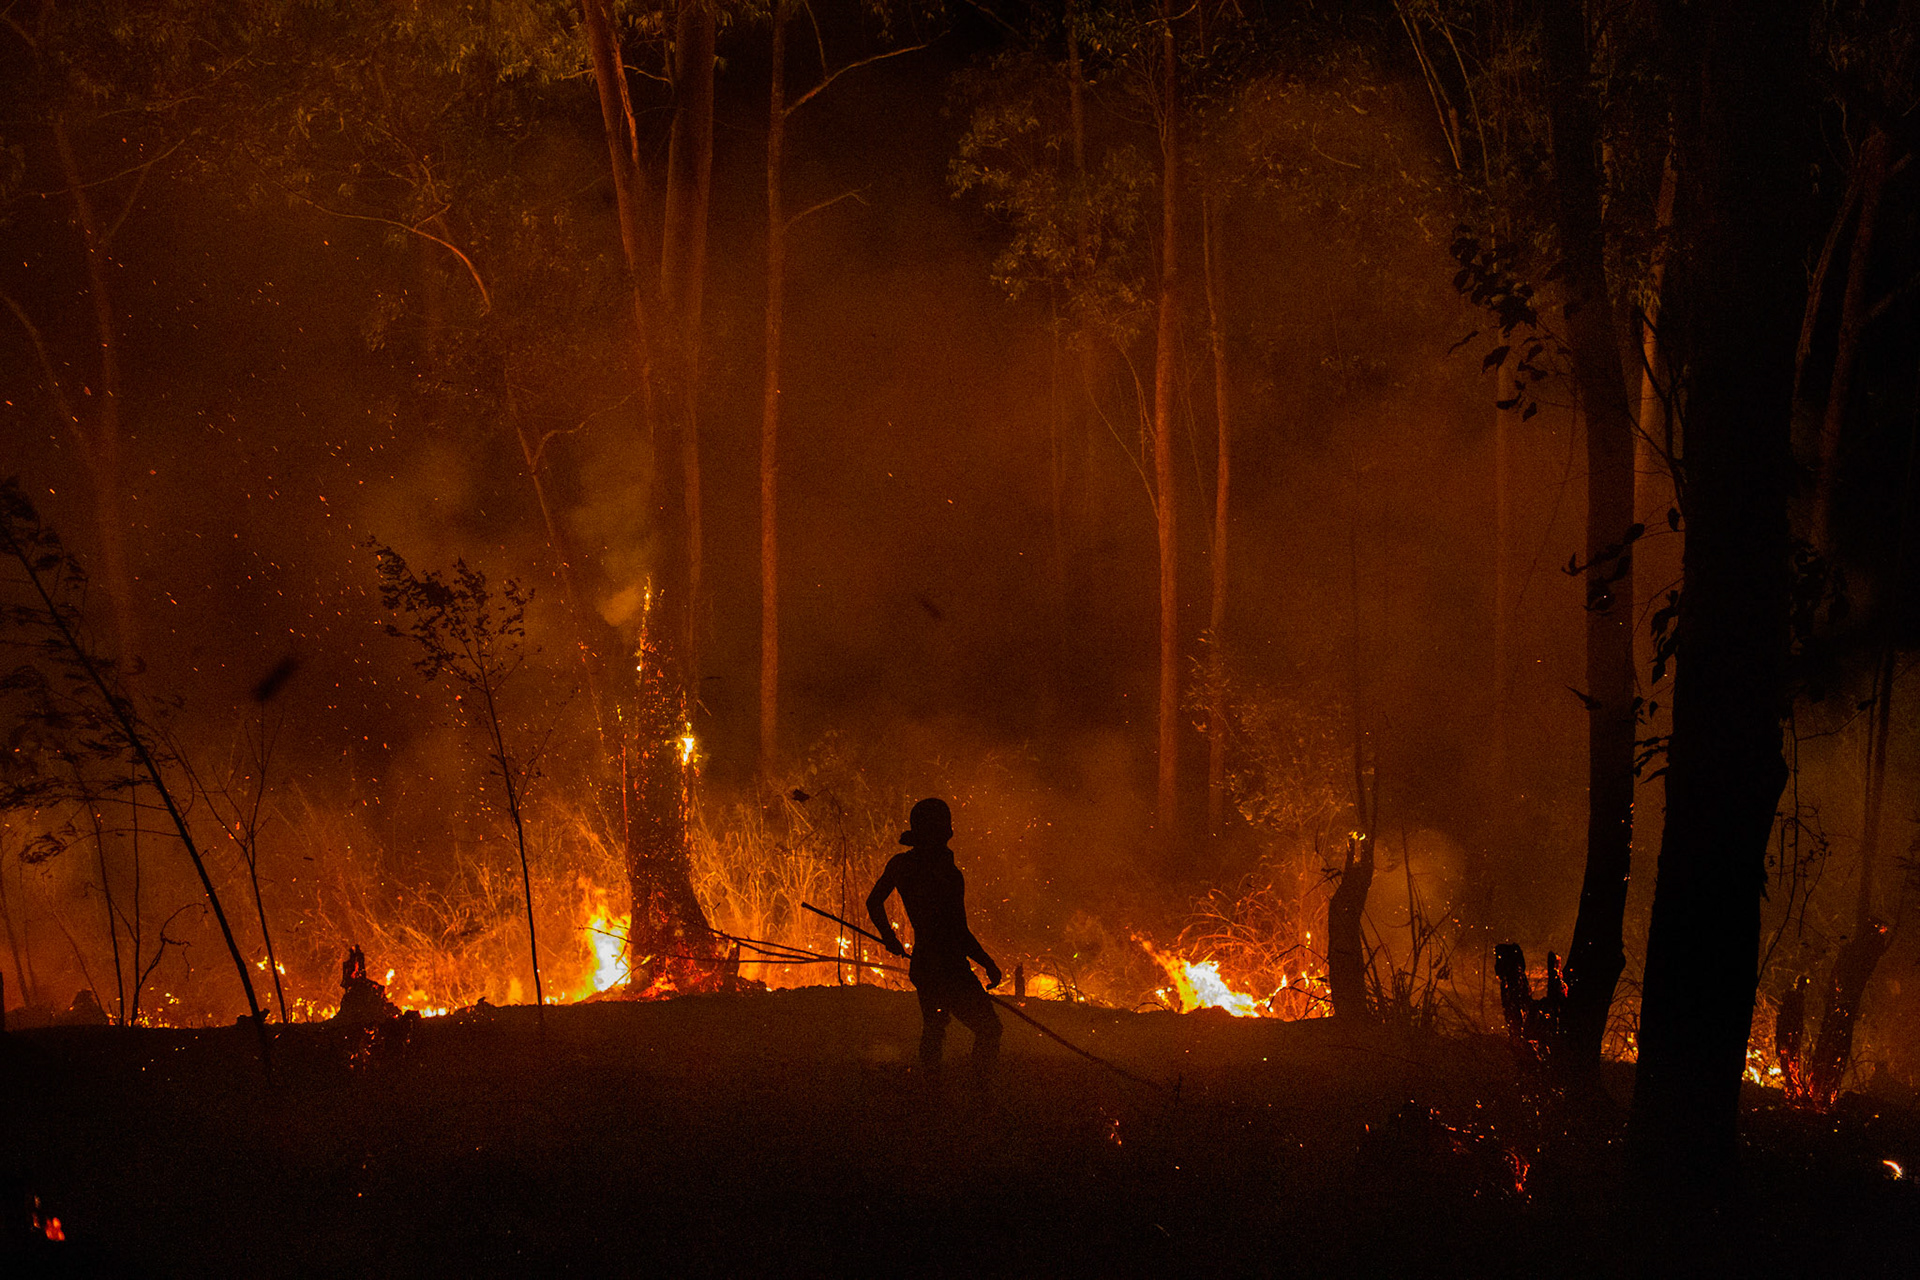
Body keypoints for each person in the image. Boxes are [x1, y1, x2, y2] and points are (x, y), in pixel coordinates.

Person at [867, 797, 1003, 1077]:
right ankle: (978, 1091)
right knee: (989, 1029)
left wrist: (889, 937)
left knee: (934, 1028)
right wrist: (987, 962)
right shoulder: (948, 874)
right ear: (943, 832)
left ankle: (931, 1092)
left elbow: (873, 902)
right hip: (950, 968)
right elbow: (958, 932)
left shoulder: (901, 865)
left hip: (924, 965)